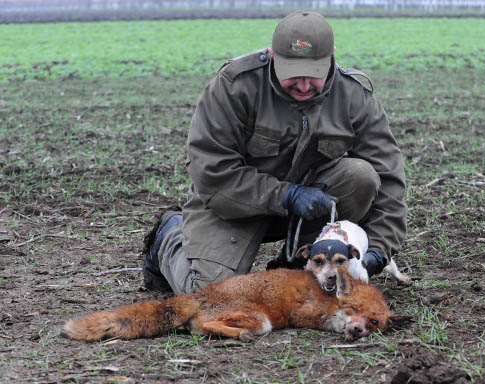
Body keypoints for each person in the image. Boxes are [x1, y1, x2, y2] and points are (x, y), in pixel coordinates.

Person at [143, 10, 407, 295]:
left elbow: (388, 181)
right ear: (272, 56)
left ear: (332, 56)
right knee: (209, 296)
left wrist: (378, 251)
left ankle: (295, 265)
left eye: (314, 75)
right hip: (234, 205)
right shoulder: (235, 87)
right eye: (293, 75)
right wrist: (286, 195)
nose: (304, 86)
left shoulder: (355, 97)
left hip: (309, 210)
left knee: (360, 177)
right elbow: (212, 173)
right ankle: (170, 236)